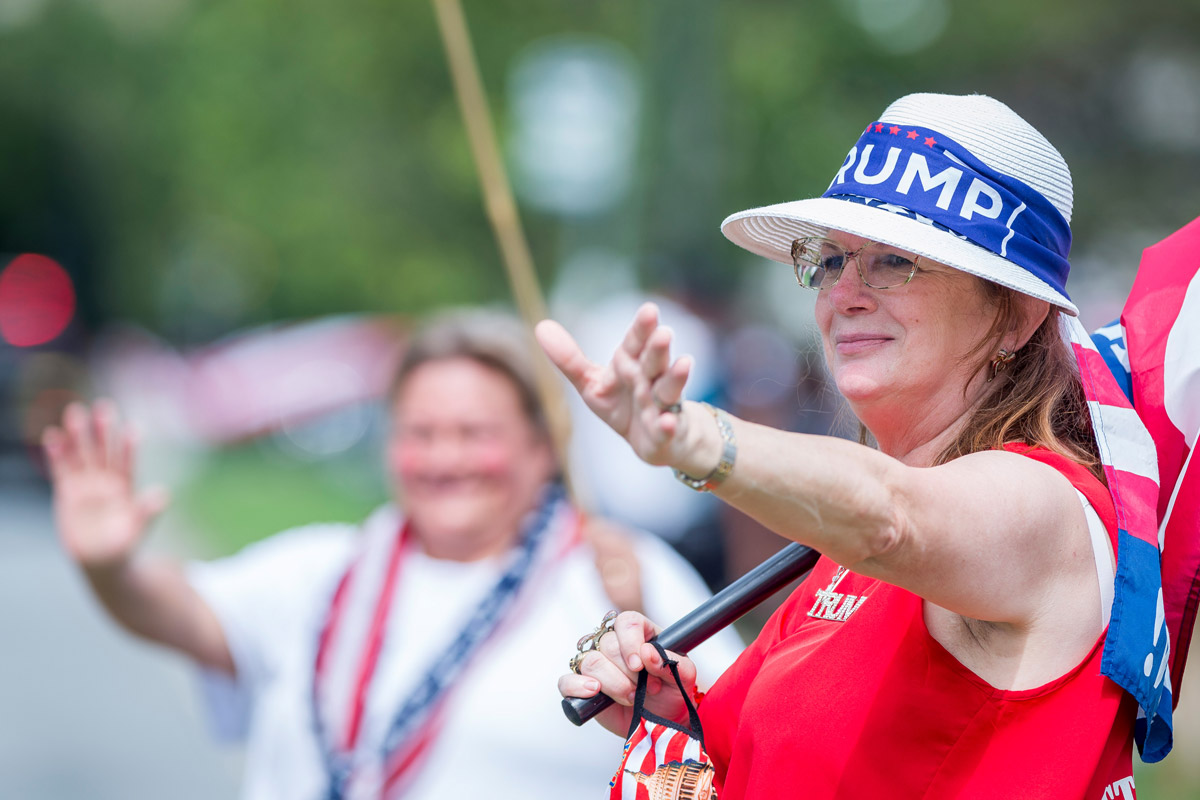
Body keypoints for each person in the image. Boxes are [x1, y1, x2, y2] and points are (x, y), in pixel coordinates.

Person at [541, 93, 1169, 798]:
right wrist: (673, 725)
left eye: (894, 262)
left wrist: (692, 438)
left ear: (1015, 316)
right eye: (832, 259)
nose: (845, 294)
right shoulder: (841, 545)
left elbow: (892, 516)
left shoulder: (1042, 507)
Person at [41, 309, 744, 800]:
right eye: (421, 432)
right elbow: (176, 615)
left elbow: (740, 739)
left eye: (474, 433)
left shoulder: (621, 575)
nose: (445, 459)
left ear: (541, 449)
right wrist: (109, 567)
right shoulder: (325, 570)